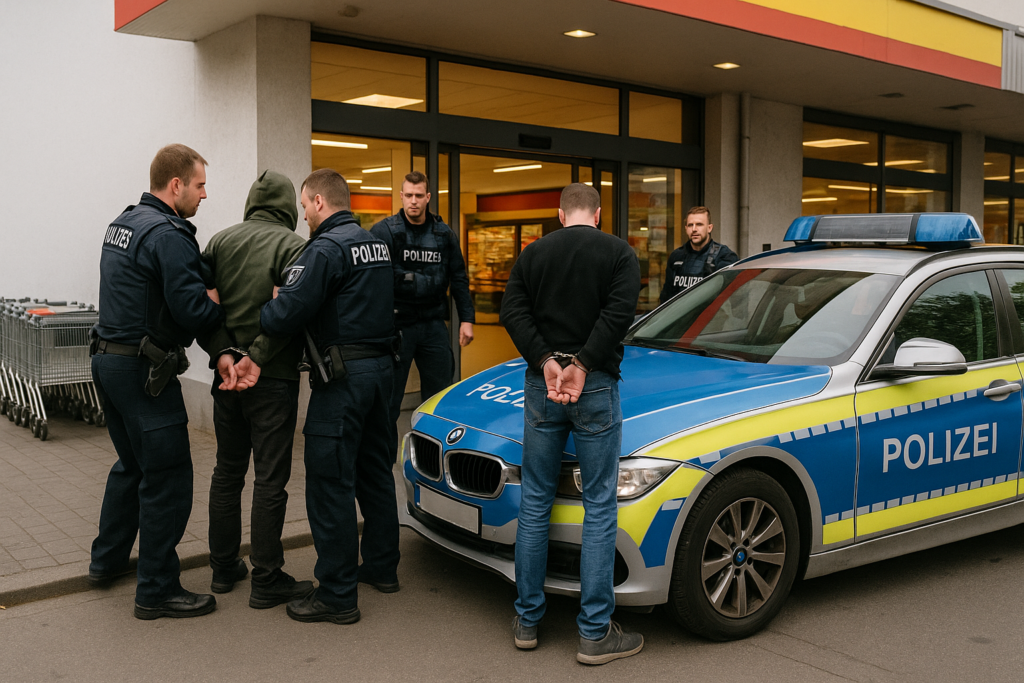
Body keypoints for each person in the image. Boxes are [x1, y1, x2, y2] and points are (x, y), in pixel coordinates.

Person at [500, 183, 643, 665]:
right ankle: (594, 633)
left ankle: (527, 619)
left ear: (560, 215)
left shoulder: (533, 253)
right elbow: (618, 315)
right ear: (597, 214)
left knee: (536, 499)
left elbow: (512, 311)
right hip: (595, 385)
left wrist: (546, 360)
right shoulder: (619, 254)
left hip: (543, 385)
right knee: (599, 504)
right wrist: (581, 364)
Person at [88, 144, 225, 620]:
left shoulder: (124, 222)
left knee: (132, 466)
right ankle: (157, 589)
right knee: (167, 478)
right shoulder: (169, 235)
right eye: (200, 185)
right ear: (176, 185)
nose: (204, 195)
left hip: (107, 362)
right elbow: (192, 310)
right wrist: (217, 303)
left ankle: (106, 562)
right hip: (144, 374)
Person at [260, 168, 400, 625]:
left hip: (342, 381)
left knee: (329, 481)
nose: (303, 214)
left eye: (304, 205)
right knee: (374, 471)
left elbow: (285, 314)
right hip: (381, 373)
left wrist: (272, 302)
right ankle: (382, 567)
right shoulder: (376, 244)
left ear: (319, 201)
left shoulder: (324, 249)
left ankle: (337, 594)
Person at [200, 170, 315, 608]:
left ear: (251, 202)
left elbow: (202, 307)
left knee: (227, 472)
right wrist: (260, 356)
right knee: (270, 478)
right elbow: (290, 312)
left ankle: (222, 567)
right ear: (287, 207)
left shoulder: (218, 242)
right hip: (274, 378)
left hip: (226, 377)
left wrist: (223, 354)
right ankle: (266, 577)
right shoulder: (294, 247)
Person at [370, 172, 474, 457]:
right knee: (389, 401)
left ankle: (435, 456)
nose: (413, 201)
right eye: (408, 195)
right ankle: (383, 461)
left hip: (432, 323)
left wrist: (467, 319)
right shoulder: (385, 231)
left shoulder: (444, 234)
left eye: (419, 196)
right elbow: (375, 278)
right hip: (397, 325)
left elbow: (459, 277)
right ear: (401, 196)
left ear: (428, 197)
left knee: (439, 397)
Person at [658, 206, 739, 303]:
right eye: (690, 225)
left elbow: (734, 298)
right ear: (686, 229)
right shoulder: (676, 257)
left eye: (699, 224)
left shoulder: (724, 256)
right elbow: (666, 296)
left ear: (709, 228)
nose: (694, 229)